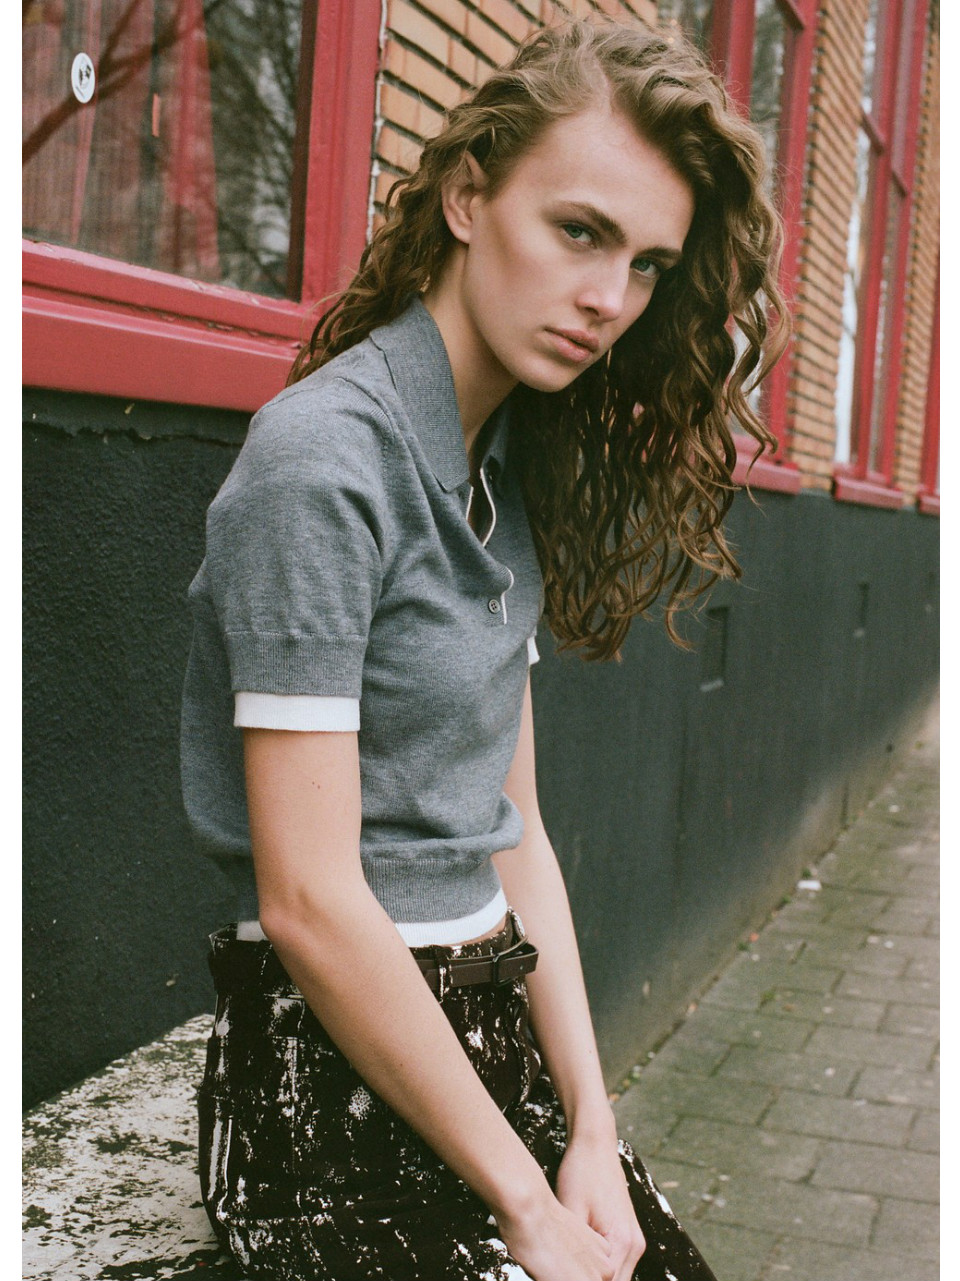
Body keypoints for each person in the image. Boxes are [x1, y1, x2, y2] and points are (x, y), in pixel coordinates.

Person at [181, 17, 787, 1281]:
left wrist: (592, 1130)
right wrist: (525, 1207)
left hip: (487, 1037)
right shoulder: (323, 466)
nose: (611, 300)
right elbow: (309, 903)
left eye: (646, 265)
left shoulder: (497, 468)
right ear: (467, 198)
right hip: (330, 1078)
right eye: (581, 231)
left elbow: (516, 833)